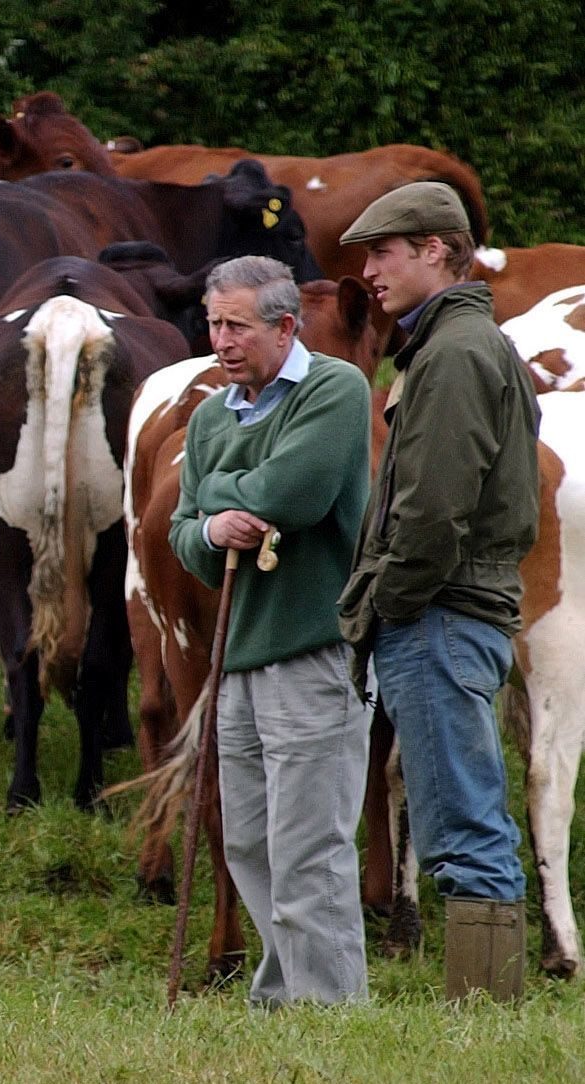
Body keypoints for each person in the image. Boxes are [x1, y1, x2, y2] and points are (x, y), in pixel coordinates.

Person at [337, 181, 539, 1002]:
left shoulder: (454, 354)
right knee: (465, 808)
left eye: (383, 252)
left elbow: (430, 508)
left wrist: (391, 602)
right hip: (451, 609)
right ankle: (484, 1003)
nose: (369, 272)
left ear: (434, 249)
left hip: (440, 612)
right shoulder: (459, 344)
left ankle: (486, 1012)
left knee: (462, 819)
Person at [170, 255, 374, 1006]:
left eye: (236, 326)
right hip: (238, 656)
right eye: (212, 323)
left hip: (314, 649)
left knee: (308, 845)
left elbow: (294, 494)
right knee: (250, 842)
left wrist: (214, 502)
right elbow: (182, 534)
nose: (220, 341)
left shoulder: (333, 389)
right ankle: (286, 994)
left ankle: (327, 1011)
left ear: (285, 326)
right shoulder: (207, 414)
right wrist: (213, 523)